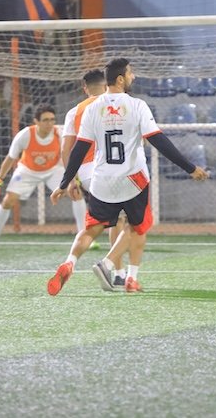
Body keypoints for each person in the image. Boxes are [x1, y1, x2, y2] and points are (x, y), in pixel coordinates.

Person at [46, 58, 209, 295]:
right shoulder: (137, 105)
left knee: (92, 228)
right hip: (133, 179)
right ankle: (113, 267)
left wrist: (64, 183)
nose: (134, 77)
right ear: (121, 79)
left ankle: (69, 262)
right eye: (131, 73)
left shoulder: (91, 108)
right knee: (138, 226)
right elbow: (158, 140)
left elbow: (79, 148)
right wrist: (190, 168)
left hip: (101, 180)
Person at [0, 104, 87, 250]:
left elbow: (69, 154)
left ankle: (83, 237)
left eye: (52, 119)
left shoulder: (60, 133)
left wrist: (74, 178)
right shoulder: (25, 135)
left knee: (75, 193)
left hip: (53, 170)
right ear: (36, 121)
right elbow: (10, 158)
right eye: (45, 120)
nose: (50, 123)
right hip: (27, 171)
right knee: (8, 200)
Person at [62, 69, 128, 276]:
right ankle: (117, 273)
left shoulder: (74, 112)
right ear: (107, 84)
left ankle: (70, 261)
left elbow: (66, 150)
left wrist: (71, 180)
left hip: (86, 173)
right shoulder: (120, 103)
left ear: (85, 88)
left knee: (99, 222)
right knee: (122, 221)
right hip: (113, 168)